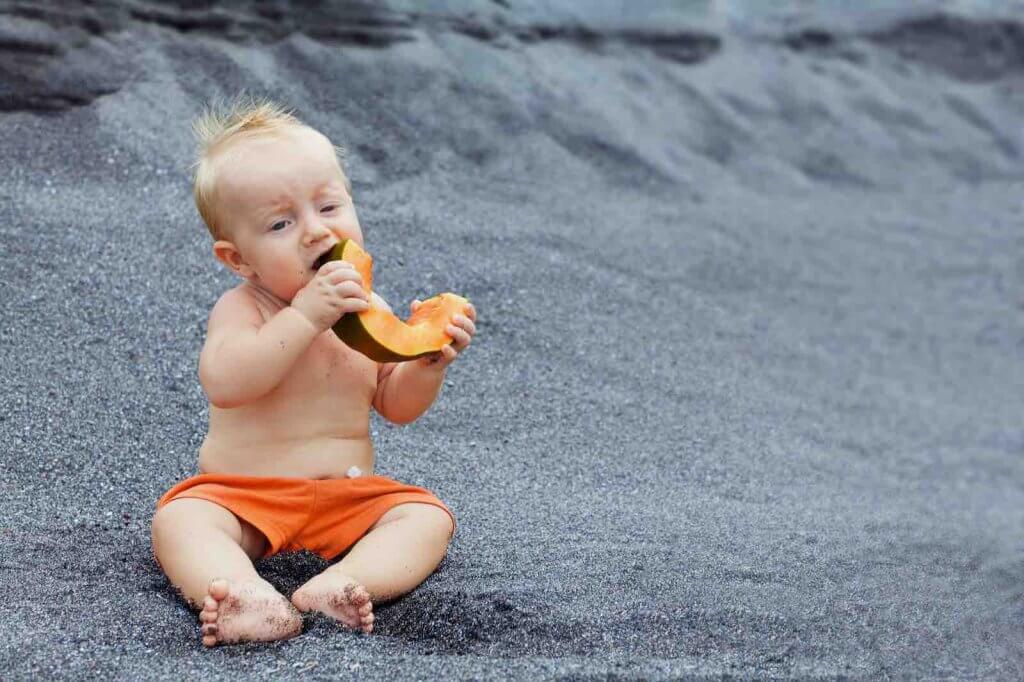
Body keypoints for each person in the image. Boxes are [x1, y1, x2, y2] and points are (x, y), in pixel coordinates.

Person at [150, 96, 477, 647]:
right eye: (281, 222)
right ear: (239, 259)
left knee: (427, 517)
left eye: (328, 207)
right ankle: (243, 593)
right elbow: (228, 383)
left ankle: (345, 582)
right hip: (243, 495)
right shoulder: (244, 308)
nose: (315, 232)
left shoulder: (365, 305)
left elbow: (395, 405)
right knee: (181, 518)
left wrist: (426, 361)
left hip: (347, 497)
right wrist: (305, 317)